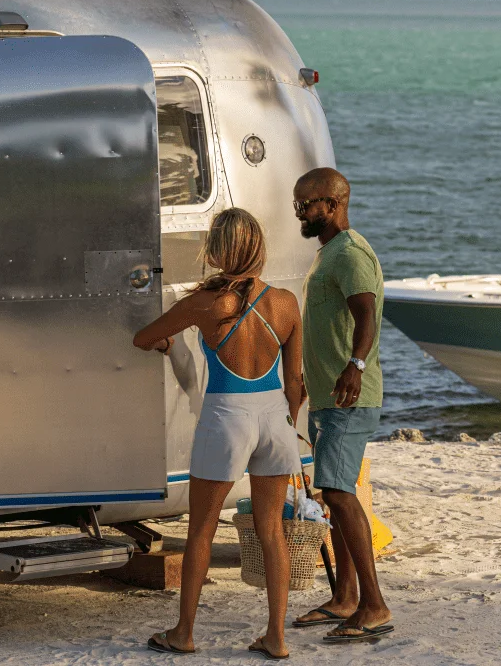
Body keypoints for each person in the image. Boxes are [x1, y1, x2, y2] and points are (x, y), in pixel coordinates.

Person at [132, 208, 304, 659]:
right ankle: (276, 638)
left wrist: (168, 344)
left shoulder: (207, 303)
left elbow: (143, 338)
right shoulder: (286, 303)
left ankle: (184, 633)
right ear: (259, 248)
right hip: (275, 418)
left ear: (218, 250)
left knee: (202, 531)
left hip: (227, 416)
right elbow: (295, 386)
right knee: (271, 531)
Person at [289, 167, 393, 643]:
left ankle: (374, 605)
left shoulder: (349, 253)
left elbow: (366, 314)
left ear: (332, 204)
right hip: (331, 395)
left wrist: (354, 364)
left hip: (348, 396)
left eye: (306, 205)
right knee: (337, 490)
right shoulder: (329, 252)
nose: (300, 213)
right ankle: (346, 597)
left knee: (336, 492)